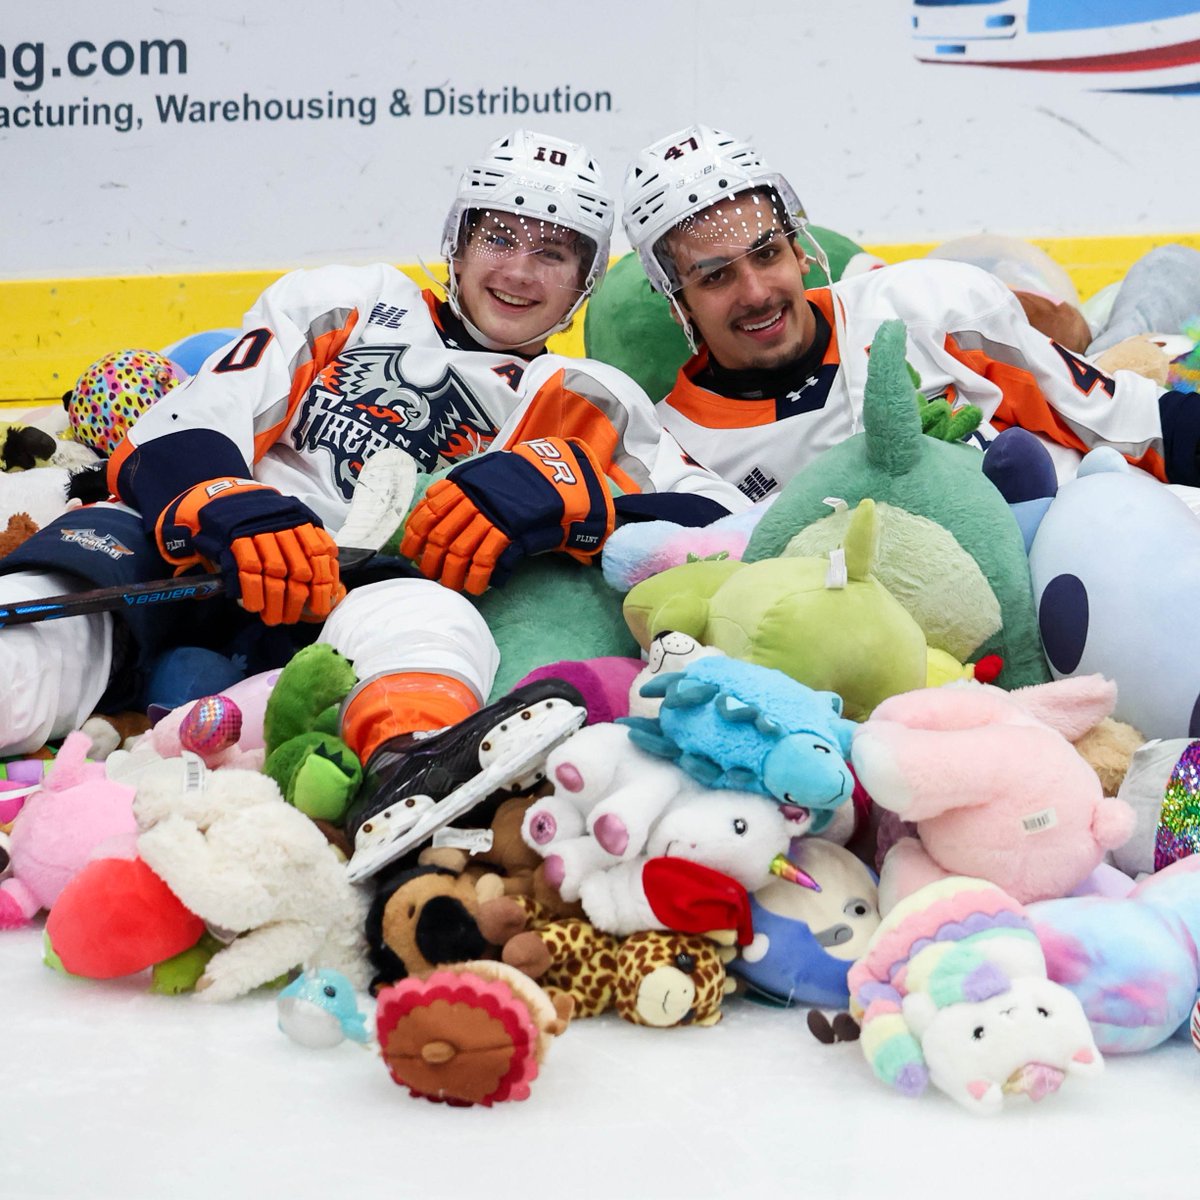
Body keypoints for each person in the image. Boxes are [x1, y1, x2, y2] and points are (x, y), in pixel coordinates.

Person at [0, 127, 745, 847]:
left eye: (553, 254)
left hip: (363, 611)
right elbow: (185, 419)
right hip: (209, 564)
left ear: (585, 282)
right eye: (499, 238)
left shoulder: (588, 393)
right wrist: (230, 503)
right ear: (456, 241)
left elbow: (724, 520)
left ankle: (409, 773)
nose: (520, 272)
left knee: (430, 615)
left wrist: (568, 489)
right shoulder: (344, 301)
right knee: (67, 588)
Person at [620, 124, 1200, 503]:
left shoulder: (929, 305)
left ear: (800, 250)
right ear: (679, 304)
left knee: (1149, 313)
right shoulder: (677, 448)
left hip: (1081, 550)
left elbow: (1125, 422)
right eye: (716, 275)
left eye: (768, 254)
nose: (755, 292)